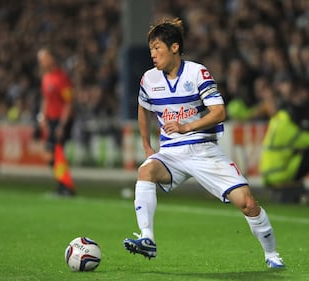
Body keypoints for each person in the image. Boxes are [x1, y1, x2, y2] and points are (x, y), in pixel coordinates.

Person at [122, 18, 285, 268]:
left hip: (203, 150)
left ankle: (272, 255)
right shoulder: (149, 80)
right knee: (146, 170)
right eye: (150, 49)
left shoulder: (197, 73)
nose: (152, 55)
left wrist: (186, 127)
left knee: (247, 203)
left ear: (174, 47)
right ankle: (147, 238)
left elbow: (219, 112)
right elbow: (142, 110)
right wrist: (146, 146)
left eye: (157, 48)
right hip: (171, 154)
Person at [259, 81, 309, 203]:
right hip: (279, 172)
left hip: (269, 173)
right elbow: (305, 140)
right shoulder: (286, 126)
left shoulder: (276, 120)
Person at [37, 47, 76, 196]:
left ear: (51, 59)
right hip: (51, 120)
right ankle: (63, 185)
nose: (41, 62)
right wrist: (42, 117)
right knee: (51, 154)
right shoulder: (46, 78)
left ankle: (66, 188)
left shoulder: (61, 78)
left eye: (43, 58)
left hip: (61, 120)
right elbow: (45, 99)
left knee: (56, 152)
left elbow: (68, 102)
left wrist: (62, 124)